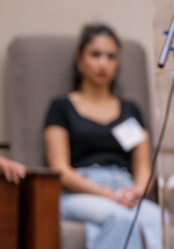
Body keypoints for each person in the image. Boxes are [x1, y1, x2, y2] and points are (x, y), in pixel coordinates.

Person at [44, 24, 162, 249]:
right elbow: (60, 171)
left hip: (126, 189)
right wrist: (107, 194)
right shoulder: (61, 107)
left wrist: (137, 191)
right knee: (121, 220)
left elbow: (144, 168)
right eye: (95, 55)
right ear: (80, 59)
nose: (103, 63)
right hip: (80, 191)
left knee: (159, 219)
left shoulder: (131, 110)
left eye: (111, 56)